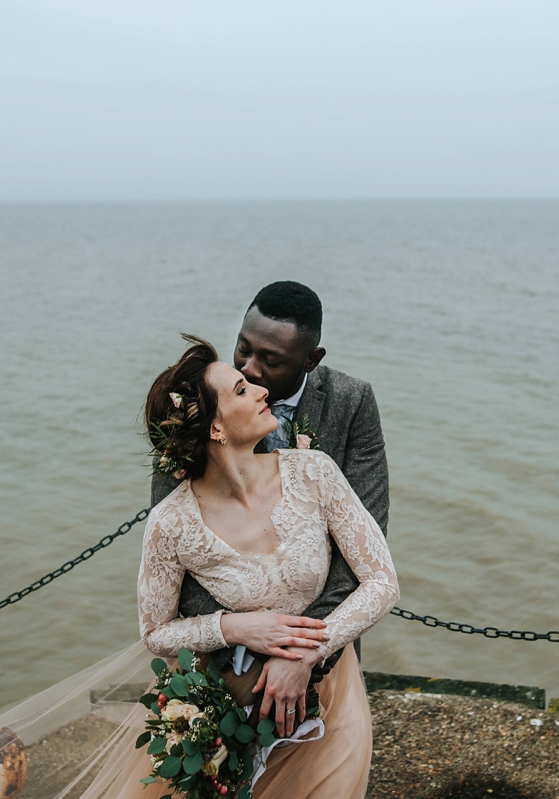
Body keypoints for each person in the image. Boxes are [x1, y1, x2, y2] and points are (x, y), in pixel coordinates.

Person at [0, 335, 397, 799]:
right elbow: (155, 632)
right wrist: (233, 626)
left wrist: (306, 653)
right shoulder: (172, 524)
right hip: (233, 706)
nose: (260, 389)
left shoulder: (315, 472)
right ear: (213, 428)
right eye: (239, 388)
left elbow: (382, 581)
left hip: (330, 695)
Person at [153, 281, 389, 670]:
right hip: (223, 659)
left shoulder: (352, 401)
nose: (249, 368)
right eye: (243, 348)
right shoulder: (200, 398)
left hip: (325, 641)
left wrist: (300, 650)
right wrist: (242, 642)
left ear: (310, 360)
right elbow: (178, 548)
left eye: (271, 360)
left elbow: (365, 541)